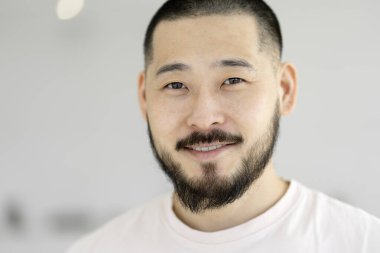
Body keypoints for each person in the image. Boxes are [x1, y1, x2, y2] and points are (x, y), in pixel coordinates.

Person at [66, 0, 380, 252]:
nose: (203, 118)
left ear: (284, 90)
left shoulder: (363, 243)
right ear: (144, 98)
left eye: (233, 80)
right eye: (176, 85)